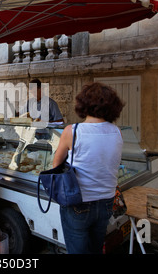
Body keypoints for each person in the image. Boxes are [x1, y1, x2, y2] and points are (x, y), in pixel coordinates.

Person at [52, 82, 124, 254]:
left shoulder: (72, 131)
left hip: (79, 202)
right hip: (106, 202)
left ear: (83, 103)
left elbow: (56, 164)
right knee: (96, 249)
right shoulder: (117, 131)